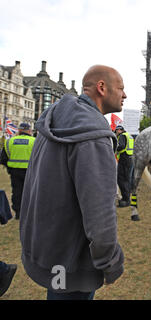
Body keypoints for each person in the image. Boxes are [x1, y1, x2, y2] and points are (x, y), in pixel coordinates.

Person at [19, 65, 126, 300]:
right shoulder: (94, 134)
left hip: (50, 251)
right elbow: (100, 212)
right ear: (101, 88)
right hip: (74, 260)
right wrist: (110, 262)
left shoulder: (55, 120)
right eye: (121, 88)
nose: (124, 95)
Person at [0, 123, 35, 220]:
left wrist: (10, 168)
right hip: (30, 171)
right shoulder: (35, 141)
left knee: (17, 192)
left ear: (19, 131)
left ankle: (18, 213)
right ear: (29, 131)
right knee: (30, 192)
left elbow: (3, 159)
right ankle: (29, 212)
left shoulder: (9, 141)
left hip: (15, 172)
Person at [114, 125, 134, 207]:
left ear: (119, 130)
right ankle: (127, 198)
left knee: (121, 179)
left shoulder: (122, 136)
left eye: (116, 131)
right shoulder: (129, 135)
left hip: (124, 159)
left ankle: (126, 200)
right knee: (127, 179)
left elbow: (121, 146)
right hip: (129, 158)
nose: (116, 133)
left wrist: (115, 148)